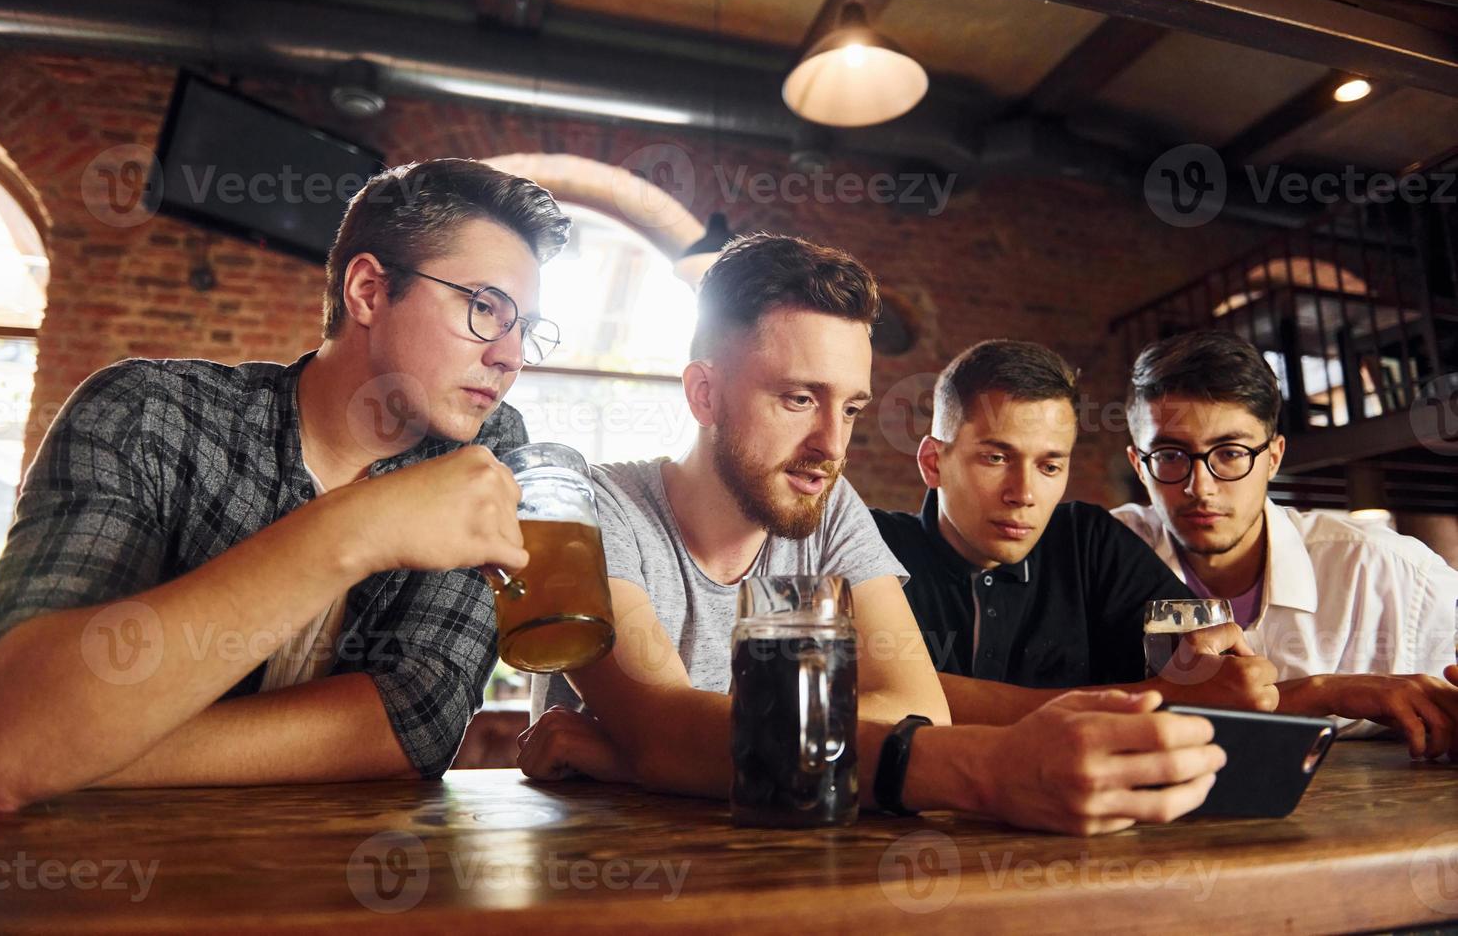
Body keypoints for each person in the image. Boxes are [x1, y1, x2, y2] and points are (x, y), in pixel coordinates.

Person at [519, 235, 1228, 836]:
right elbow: (665, 726)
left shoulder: (826, 504)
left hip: (794, 870)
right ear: (704, 394)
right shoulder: (592, 506)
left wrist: (643, 758)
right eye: (799, 398)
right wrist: (663, 747)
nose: (830, 445)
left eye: (851, 408)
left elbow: (918, 706)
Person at [0, 158, 569, 811]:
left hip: (334, 896)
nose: (511, 356)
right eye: (486, 308)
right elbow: (10, 737)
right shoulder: (145, 414)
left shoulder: (488, 449)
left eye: (526, 329)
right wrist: (358, 529)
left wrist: (86, 749)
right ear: (369, 292)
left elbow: (415, 725)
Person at [872, 339, 1279, 726]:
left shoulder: (1089, 542)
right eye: (995, 458)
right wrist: (1153, 699)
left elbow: (1220, 686)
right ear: (933, 462)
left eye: (1049, 466)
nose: (1024, 494)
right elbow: (867, 690)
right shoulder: (870, 545)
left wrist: (1323, 691)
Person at [1113, 330, 1458, 760]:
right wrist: (1321, 693)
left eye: (1231, 452)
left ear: (1273, 457)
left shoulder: (1390, 572)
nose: (1199, 487)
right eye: (1169, 455)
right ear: (1138, 465)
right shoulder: (1096, 557)